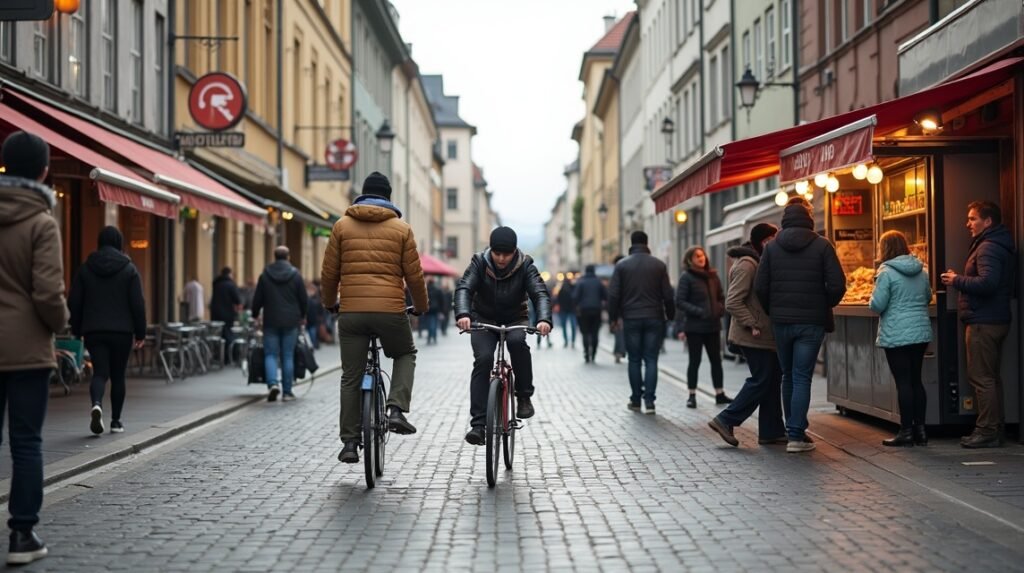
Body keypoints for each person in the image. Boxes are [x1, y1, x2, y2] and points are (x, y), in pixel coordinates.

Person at [320, 171, 428, 463]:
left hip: (352, 313)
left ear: (362, 195)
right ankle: (395, 409)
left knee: (351, 377)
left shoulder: (341, 226)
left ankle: (350, 444)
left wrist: (330, 303)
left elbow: (329, 273)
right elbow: (414, 276)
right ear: (388, 197)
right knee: (405, 353)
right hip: (390, 311)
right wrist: (420, 306)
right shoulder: (401, 229)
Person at [0, 131, 70, 565]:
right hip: (26, 351)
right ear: (44, 170)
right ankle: (22, 536)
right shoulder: (42, 222)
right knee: (26, 442)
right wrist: (61, 327)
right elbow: (47, 293)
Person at [755, 197, 846, 453]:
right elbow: (838, 284)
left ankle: (790, 430)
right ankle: (796, 435)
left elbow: (760, 286)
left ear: (784, 220)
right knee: (803, 375)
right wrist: (823, 304)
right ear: (809, 218)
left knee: (788, 376)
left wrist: (773, 310)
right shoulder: (822, 245)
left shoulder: (772, 248)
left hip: (782, 322)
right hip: (811, 323)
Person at [455, 226, 552, 445]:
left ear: (514, 251)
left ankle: (524, 396)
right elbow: (464, 288)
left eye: (506, 254)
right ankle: (478, 425)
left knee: (518, 343)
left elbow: (539, 292)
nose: (501, 258)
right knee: (483, 359)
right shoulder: (479, 262)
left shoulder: (526, 265)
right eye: (497, 253)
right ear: (491, 250)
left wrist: (544, 319)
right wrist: (463, 314)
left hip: (515, 319)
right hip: (483, 319)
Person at [941, 201, 1016, 448]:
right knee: (991, 378)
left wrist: (956, 280)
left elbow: (987, 283)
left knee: (981, 377)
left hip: (984, 320)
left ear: (988, 222)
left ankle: (986, 431)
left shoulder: (988, 248)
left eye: (973, 219)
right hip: (993, 318)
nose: (968, 223)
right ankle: (996, 428)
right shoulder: (996, 245)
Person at [707, 224, 787, 447]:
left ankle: (771, 431)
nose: (775, 241)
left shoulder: (758, 261)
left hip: (762, 335)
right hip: (753, 335)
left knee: (771, 380)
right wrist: (753, 322)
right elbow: (732, 301)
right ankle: (725, 419)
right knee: (761, 379)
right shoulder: (747, 264)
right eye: (771, 237)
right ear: (762, 240)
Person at [68, 226, 147, 436]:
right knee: (118, 375)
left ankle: (96, 404)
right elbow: (138, 304)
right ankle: (116, 422)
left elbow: (74, 302)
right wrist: (140, 333)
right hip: (122, 331)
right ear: (119, 243)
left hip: (94, 330)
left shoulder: (85, 268)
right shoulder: (129, 269)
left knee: (100, 373)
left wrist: (77, 330)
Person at [870, 231, 933, 447]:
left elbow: (877, 305)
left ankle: (906, 431)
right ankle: (921, 431)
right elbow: (928, 297)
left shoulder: (886, 272)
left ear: (885, 248)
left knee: (903, 382)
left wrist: (873, 290)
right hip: (920, 332)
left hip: (897, 333)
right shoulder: (922, 271)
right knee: (916, 380)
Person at [608, 231, 675, 415]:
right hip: (655, 317)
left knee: (635, 359)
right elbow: (668, 295)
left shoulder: (622, 265)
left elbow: (613, 295)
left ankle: (636, 399)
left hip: (631, 318)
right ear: (647, 243)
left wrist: (613, 319)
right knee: (651, 359)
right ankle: (650, 401)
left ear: (631, 243)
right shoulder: (659, 265)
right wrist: (670, 316)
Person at [675, 246, 732, 408]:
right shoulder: (686, 277)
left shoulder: (713, 276)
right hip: (694, 327)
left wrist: (719, 309)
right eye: (697, 256)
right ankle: (691, 395)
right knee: (695, 361)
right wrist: (700, 312)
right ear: (689, 260)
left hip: (713, 325)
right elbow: (680, 301)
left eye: (702, 255)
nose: (701, 258)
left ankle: (719, 393)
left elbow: (721, 297)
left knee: (716, 360)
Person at [252, 246, 308, 403]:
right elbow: (303, 299)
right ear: (288, 257)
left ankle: (272, 384)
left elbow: (258, 298)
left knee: (270, 354)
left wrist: (255, 314)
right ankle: (287, 392)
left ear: (275, 256)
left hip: (271, 320)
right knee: (287, 355)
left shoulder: (265, 275)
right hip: (291, 321)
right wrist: (303, 315)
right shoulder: (295, 275)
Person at [573, 264, 606, 363]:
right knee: (595, 333)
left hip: (584, 311)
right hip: (596, 310)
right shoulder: (598, 282)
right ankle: (594, 353)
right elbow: (605, 296)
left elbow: (575, 297)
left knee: (585, 333)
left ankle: (587, 353)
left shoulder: (581, 282)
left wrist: (577, 306)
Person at [209, 267, 242, 361]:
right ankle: (229, 357)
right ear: (229, 274)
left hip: (215, 313)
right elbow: (237, 300)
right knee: (228, 335)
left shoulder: (216, 283)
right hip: (227, 314)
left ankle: (218, 355)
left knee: (218, 335)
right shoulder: (230, 285)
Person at [611, 254, 627, 363]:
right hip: (631, 309)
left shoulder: (616, 276)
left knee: (619, 333)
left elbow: (612, 296)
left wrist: (613, 317)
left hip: (620, 311)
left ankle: (618, 352)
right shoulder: (631, 273)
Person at [557, 277, 578, 349]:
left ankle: (566, 341)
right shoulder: (573, 289)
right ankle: (572, 341)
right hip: (572, 310)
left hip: (563, 310)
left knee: (564, 326)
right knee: (573, 326)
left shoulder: (561, 290)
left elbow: (558, 300)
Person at [305, 280, 325, 350]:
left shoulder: (309, 299)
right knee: (312, 330)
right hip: (313, 318)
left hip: (311, 317)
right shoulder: (317, 299)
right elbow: (321, 310)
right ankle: (313, 344)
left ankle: (312, 344)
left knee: (311, 330)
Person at [425, 277, 443, 345]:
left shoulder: (426, 290)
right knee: (435, 323)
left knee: (429, 324)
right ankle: (434, 337)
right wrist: (441, 311)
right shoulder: (438, 290)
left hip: (428, 309)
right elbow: (441, 301)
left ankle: (429, 337)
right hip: (436, 309)